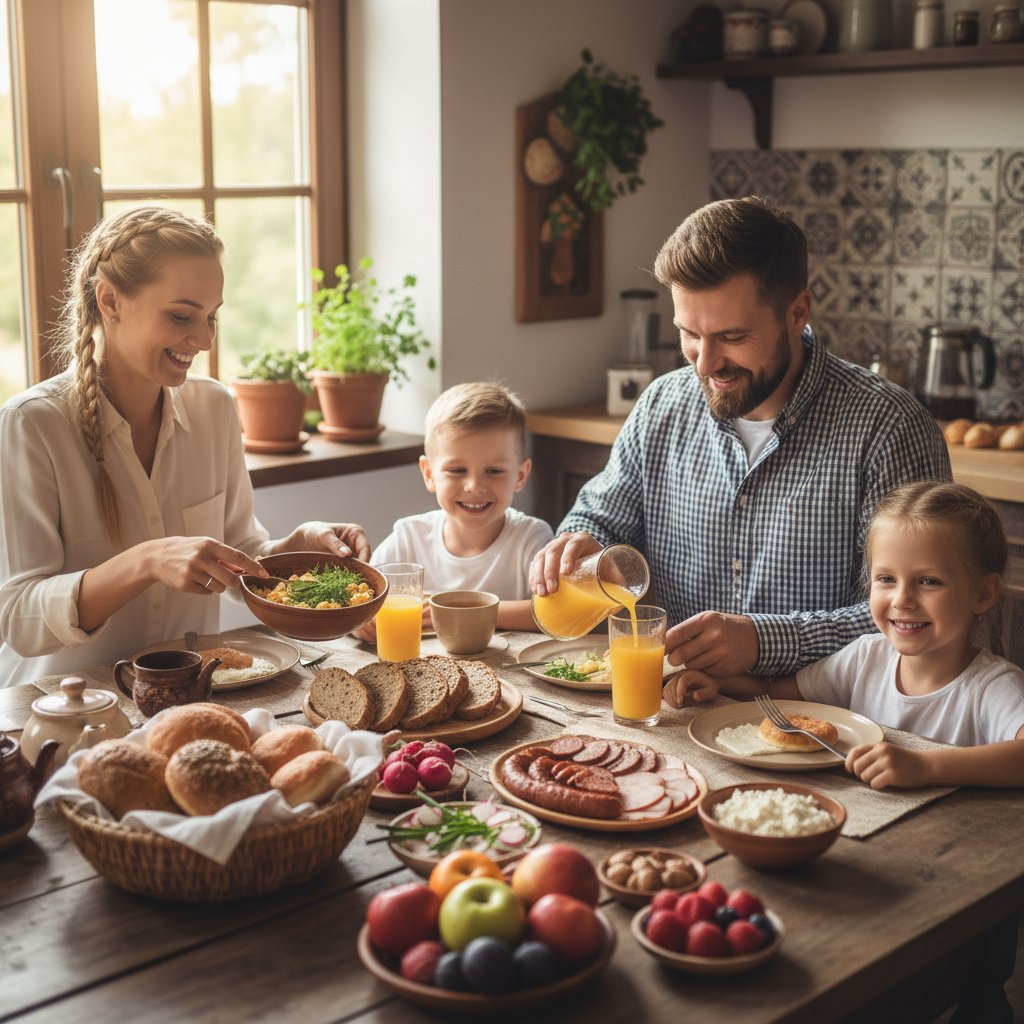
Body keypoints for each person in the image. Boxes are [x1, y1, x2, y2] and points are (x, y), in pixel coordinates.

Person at [530, 196, 951, 679]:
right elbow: (602, 518)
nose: (705, 364)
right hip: (667, 709)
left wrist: (763, 640)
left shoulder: (889, 427)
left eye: (731, 337)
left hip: (825, 729)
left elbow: (920, 615)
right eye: (689, 333)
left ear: (797, 313)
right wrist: (581, 543)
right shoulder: (662, 404)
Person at [0, 205, 369, 686]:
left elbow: (237, 553)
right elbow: (18, 618)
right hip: (69, 708)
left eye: (212, 317)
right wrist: (147, 561)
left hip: (190, 696)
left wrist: (290, 551)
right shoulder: (33, 425)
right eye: (181, 316)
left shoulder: (214, 408)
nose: (204, 340)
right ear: (110, 302)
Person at [665, 482, 1024, 790]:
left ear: (983, 594)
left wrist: (926, 767)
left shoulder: (993, 686)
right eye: (886, 579)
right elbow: (776, 695)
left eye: (928, 581)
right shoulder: (866, 656)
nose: (901, 600)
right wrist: (720, 682)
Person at [354, 382, 553, 641]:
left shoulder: (532, 538)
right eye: (457, 471)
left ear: (520, 475)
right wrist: (359, 622)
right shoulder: (409, 537)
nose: (474, 486)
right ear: (429, 474)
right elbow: (360, 598)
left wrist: (459, 610)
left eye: (494, 471)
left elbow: (554, 615)